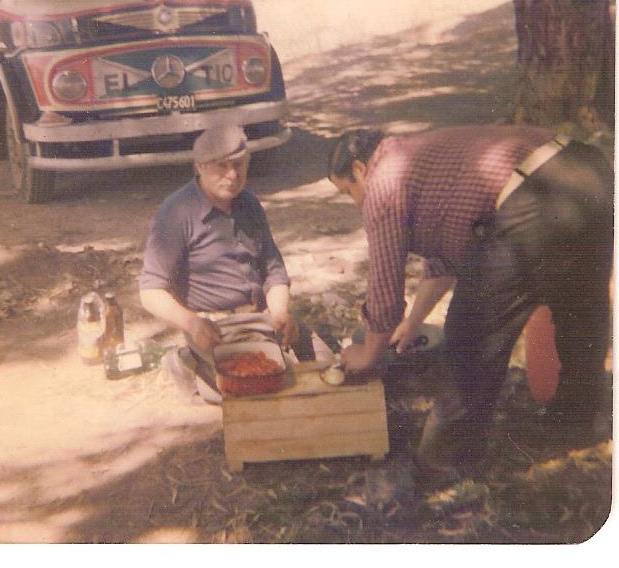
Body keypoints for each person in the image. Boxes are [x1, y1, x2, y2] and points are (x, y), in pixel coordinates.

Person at [327, 125, 613, 473]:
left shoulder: (383, 181)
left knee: (469, 332)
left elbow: (385, 290)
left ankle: (444, 461)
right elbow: (446, 260)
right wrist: (413, 322)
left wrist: (368, 355)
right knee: (579, 303)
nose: (356, 202)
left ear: (359, 170)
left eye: (348, 192)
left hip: (534, 195)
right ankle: (576, 420)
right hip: (588, 169)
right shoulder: (415, 156)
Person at [140, 124, 329, 402]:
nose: (232, 175)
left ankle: (206, 374)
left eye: (239, 165)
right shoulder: (176, 212)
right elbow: (150, 291)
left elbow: (274, 272)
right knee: (264, 385)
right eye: (221, 166)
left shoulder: (249, 204)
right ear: (200, 167)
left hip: (262, 317)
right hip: (215, 327)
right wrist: (192, 324)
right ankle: (188, 365)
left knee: (326, 365)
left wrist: (280, 313)